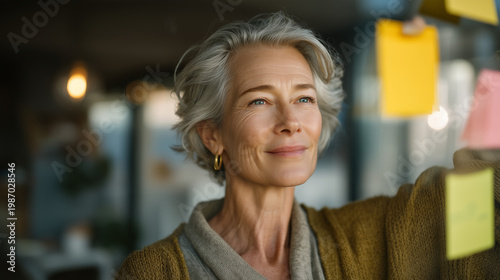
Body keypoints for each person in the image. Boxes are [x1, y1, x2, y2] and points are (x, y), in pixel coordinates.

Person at [116, 12, 500, 279]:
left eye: (304, 99)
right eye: (259, 101)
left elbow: (482, 190)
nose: (290, 123)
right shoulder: (153, 272)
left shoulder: (371, 234)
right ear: (212, 134)